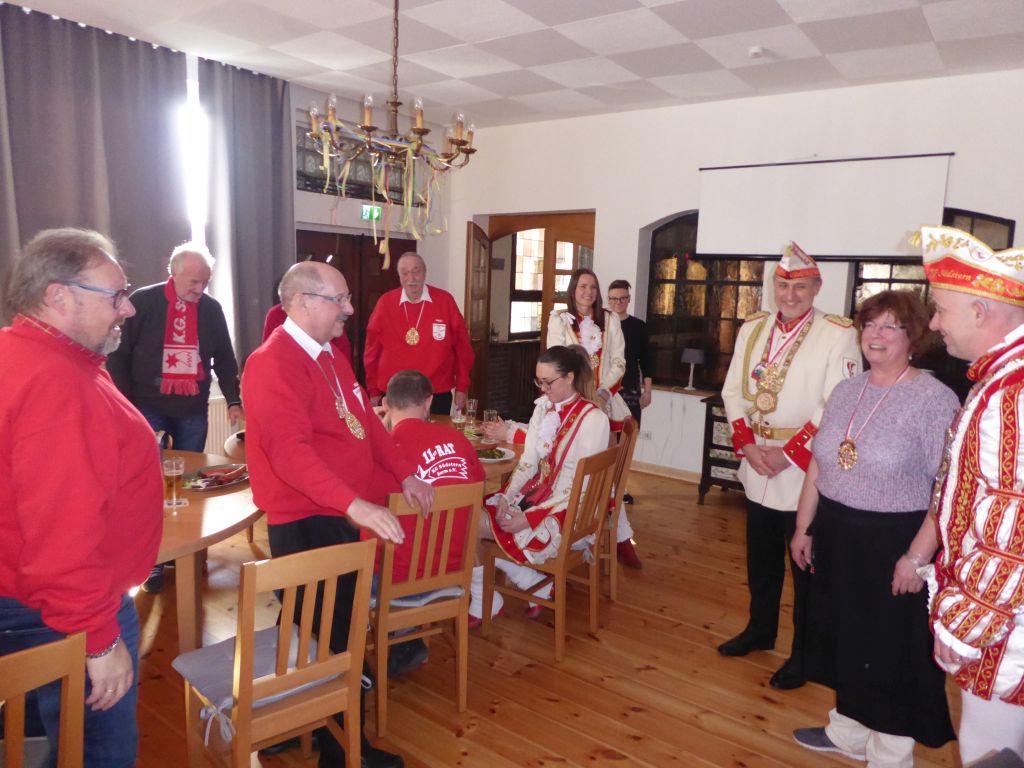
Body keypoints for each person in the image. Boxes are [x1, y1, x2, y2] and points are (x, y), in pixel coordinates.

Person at [242, 261, 433, 768]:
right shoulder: (272, 363)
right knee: (333, 637)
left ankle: (294, 723)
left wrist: (405, 474)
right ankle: (344, 753)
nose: (350, 309)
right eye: (339, 299)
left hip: (336, 513)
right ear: (303, 302)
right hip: (307, 520)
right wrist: (356, 505)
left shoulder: (329, 353)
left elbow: (366, 422)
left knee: (312, 631)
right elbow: (289, 454)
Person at [0, 228, 163, 768]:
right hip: (62, 609)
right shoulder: (55, 382)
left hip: (30, 597)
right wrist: (98, 638)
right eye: (116, 296)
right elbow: (62, 533)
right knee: (97, 756)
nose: (128, 310)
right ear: (59, 296)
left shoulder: (27, 354)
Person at [788, 290, 957, 765]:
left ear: (913, 337)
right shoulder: (848, 390)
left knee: (891, 651)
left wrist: (917, 558)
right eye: (869, 325)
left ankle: (889, 752)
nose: (875, 335)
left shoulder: (934, 399)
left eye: (889, 326)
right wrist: (804, 526)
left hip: (895, 541)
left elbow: (946, 490)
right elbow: (820, 462)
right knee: (845, 637)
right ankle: (848, 732)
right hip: (837, 531)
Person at [719, 242, 861, 690]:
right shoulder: (752, 328)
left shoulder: (838, 333)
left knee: (806, 572)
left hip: (803, 473)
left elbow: (836, 403)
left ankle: (804, 656)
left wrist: (787, 453)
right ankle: (760, 630)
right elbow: (732, 391)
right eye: (782, 285)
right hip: (756, 464)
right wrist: (747, 445)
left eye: (800, 287)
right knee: (760, 562)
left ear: (817, 288)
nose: (789, 294)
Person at [917, 225, 1024, 765]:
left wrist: (966, 626)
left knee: (990, 752)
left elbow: (1014, 527)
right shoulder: (1001, 379)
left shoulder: (1011, 393)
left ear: (980, 312)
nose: (934, 324)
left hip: (1007, 626)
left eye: (940, 310)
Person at [106, 242, 243, 593]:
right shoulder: (144, 301)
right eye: (194, 281)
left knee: (190, 484)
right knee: (149, 484)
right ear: (173, 272)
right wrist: (124, 404)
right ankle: (152, 559)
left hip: (192, 407)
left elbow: (224, 358)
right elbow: (119, 356)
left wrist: (233, 399)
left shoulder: (211, 309)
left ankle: (187, 551)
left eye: (205, 282)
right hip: (145, 405)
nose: (200, 288)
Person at [468, 345, 610, 624]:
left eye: (548, 382)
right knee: (469, 514)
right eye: (539, 381)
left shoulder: (593, 419)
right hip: (537, 498)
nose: (543, 389)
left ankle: (491, 597)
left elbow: (579, 488)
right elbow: (529, 462)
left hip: (569, 512)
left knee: (468, 522)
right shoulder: (543, 409)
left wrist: (528, 518)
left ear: (569, 377)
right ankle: (531, 583)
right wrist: (507, 497)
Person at [370, 369, 486, 674]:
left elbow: (366, 527)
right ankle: (405, 637)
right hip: (452, 574)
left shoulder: (381, 454)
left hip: (398, 583)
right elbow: (478, 486)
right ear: (428, 402)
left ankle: (392, 640)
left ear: (385, 404)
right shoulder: (459, 441)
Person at [546, 268, 642, 568]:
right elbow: (555, 361)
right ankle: (570, 532)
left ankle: (619, 536)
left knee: (605, 474)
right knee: (567, 470)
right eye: (582, 286)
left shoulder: (610, 320)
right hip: (569, 402)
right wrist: (577, 395)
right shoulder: (559, 320)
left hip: (603, 403)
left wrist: (600, 393)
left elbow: (619, 362)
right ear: (573, 289)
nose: (588, 292)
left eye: (593, 287)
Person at [364, 252, 474, 415]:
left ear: (424, 272)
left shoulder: (445, 301)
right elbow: (371, 350)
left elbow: (463, 347)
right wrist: (373, 389)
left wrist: (462, 386)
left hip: (436, 391)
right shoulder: (385, 303)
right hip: (395, 392)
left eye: (416, 271)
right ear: (399, 276)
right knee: (396, 432)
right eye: (405, 272)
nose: (411, 278)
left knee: (434, 431)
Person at [607, 278, 652, 505]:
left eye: (622, 298)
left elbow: (647, 361)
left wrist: (647, 390)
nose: (618, 302)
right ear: (608, 300)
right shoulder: (602, 325)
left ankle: (620, 487)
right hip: (607, 391)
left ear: (629, 299)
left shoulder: (638, 326)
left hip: (631, 390)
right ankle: (605, 487)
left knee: (626, 440)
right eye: (613, 299)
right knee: (607, 442)